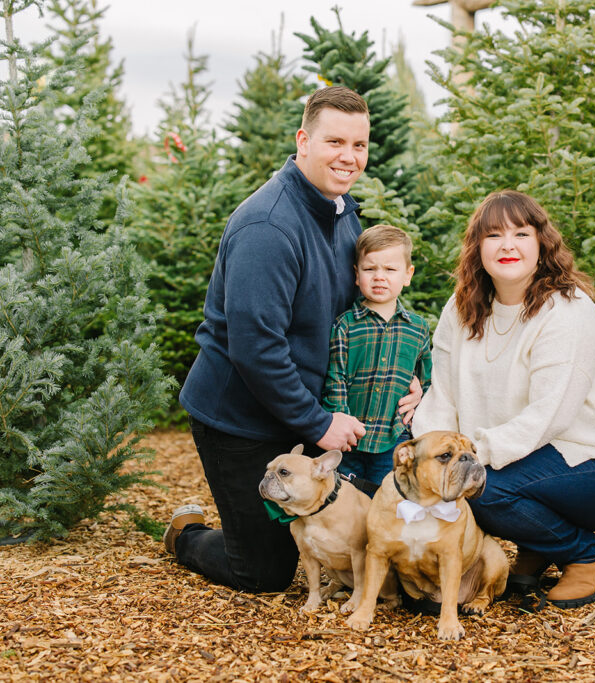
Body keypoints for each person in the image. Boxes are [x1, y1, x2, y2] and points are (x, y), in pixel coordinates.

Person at [163, 86, 420, 592]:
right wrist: (318, 422)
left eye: (360, 145)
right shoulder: (268, 226)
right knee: (264, 572)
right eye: (335, 142)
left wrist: (407, 378)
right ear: (303, 140)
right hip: (240, 419)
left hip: (301, 408)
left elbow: (361, 312)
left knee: (365, 517)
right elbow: (256, 348)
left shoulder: (342, 211)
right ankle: (184, 534)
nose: (349, 157)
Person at [411, 190, 595, 609]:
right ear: (477, 247)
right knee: (463, 478)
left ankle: (584, 555)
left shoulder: (568, 312)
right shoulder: (461, 308)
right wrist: (430, 453)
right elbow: (442, 392)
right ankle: (539, 546)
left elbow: (547, 416)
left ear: (541, 245)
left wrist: (466, 458)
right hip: (524, 457)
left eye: (521, 233)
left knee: (482, 488)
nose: (507, 245)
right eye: (494, 235)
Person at [322, 225, 432, 489]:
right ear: (356, 275)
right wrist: (342, 425)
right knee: (346, 500)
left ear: (408, 275)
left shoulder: (417, 329)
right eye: (370, 269)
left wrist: (419, 399)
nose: (379, 277)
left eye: (390, 270)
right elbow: (335, 379)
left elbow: (426, 380)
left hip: (392, 437)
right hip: (350, 438)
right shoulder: (346, 325)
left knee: (385, 499)